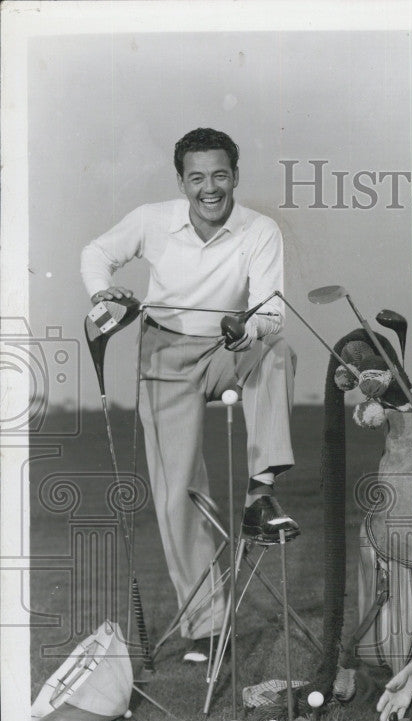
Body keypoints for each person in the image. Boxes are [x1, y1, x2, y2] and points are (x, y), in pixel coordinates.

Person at [81, 127, 298, 661]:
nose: (210, 187)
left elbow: (271, 312)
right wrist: (100, 292)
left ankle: (260, 493)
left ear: (235, 177)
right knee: (176, 491)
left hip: (230, 343)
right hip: (164, 353)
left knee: (278, 354)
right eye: (197, 177)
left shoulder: (260, 229)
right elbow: (96, 252)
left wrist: (242, 334)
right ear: (182, 182)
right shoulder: (151, 219)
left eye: (220, 175)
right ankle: (207, 627)